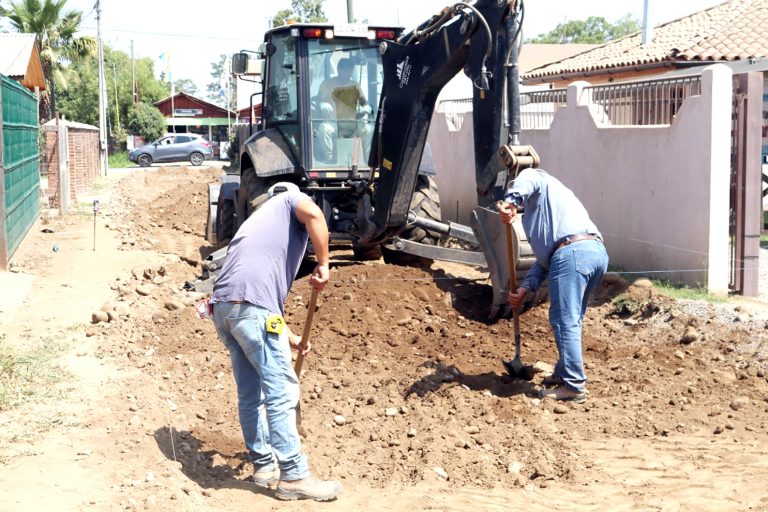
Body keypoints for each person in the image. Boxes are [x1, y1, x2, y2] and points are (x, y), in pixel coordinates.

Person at [211, 181, 342, 502]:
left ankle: (265, 466)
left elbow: (255, 300)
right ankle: (295, 475)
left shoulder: (256, 221)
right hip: (250, 308)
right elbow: (313, 213)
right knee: (281, 391)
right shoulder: (291, 201)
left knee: (250, 394)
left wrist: (292, 338)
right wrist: (324, 264)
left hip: (226, 308)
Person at [497, 168, 608, 403]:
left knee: (564, 319)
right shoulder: (544, 211)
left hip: (573, 252)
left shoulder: (536, 179)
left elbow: (529, 178)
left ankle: (574, 386)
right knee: (572, 318)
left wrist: (511, 200)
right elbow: (545, 260)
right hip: (593, 252)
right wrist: (526, 288)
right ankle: (563, 372)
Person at [315, 58, 371, 162]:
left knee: (368, 129)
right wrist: (322, 104)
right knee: (324, 129)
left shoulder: (355, 85)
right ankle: (330, 159)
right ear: (339, 70)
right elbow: (318, 101)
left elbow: (364, 103)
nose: (348, 73)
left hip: (353, 124)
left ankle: (366, 160)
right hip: (334, 124)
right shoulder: (327, 84)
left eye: (350, 71)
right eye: (346, 70)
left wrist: (366, 108)